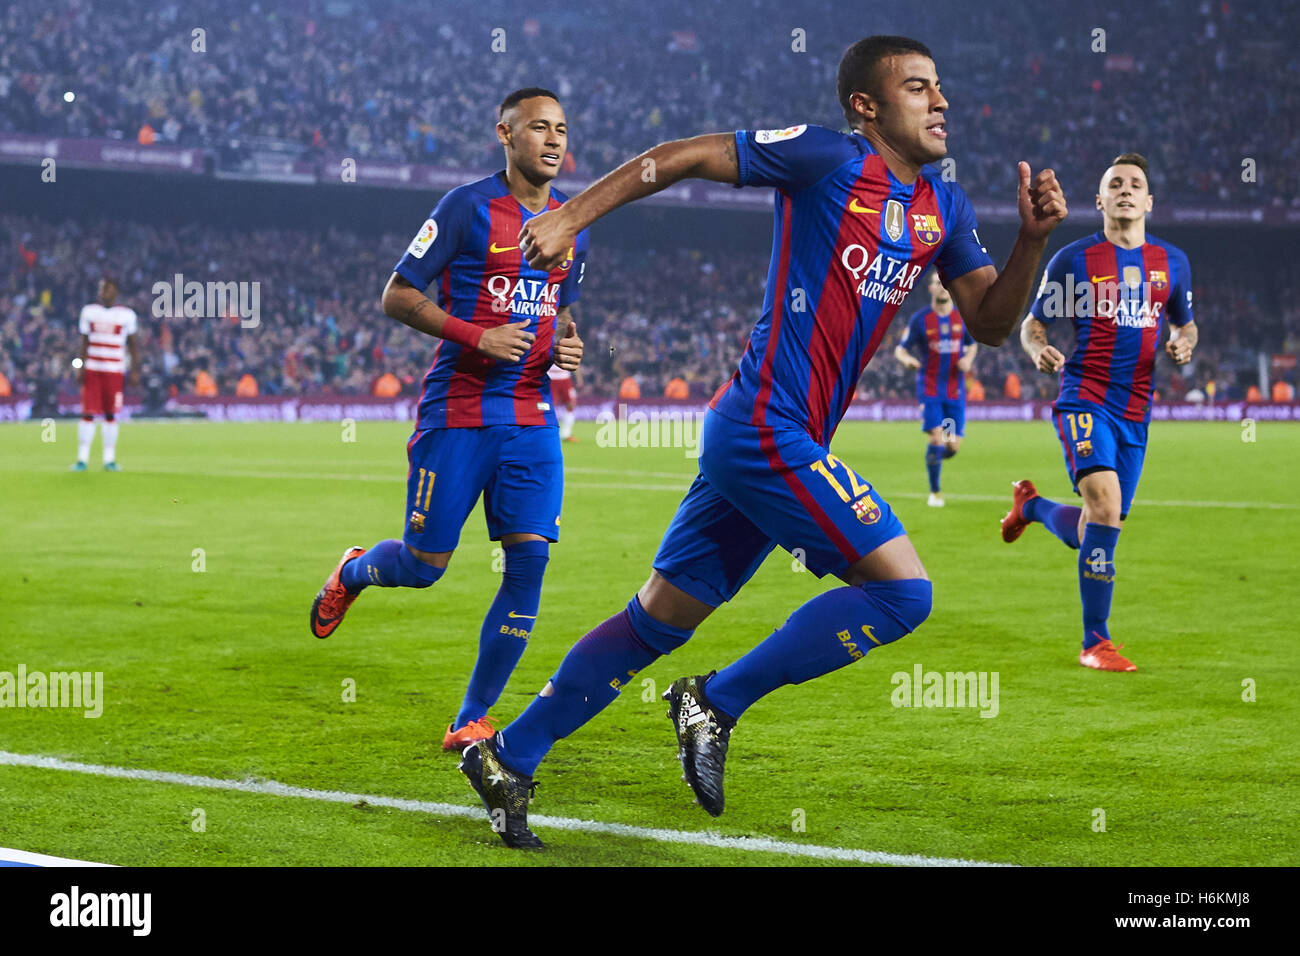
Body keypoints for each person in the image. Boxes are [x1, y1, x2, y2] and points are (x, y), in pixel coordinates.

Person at [458, 35, 1067, 848]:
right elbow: (679, 156)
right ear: (868, 106)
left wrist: (1030, 242)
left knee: (659, 619)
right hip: (762, 427)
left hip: (774, 438)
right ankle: (716, 700)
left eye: (939, 86)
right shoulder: (824, 159)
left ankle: (508, 754)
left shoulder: (944, 209)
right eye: (918, 87)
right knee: (903, 594)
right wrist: (570, 214)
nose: (940, 100)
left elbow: (991, 324)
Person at [308, 88, 589, 753]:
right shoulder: (465, 207)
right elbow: (397, 295)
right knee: (424, 564)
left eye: (562, 130)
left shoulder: (572, 225)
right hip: (459, 412)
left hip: (531, 418)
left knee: (528, 567)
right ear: (505, 134)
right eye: (538, 128)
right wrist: (476, 336)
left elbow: (563, 312)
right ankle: (351, 572)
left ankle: (473, 717)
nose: (553, 140)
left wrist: (568, 344)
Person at [1002, 152, 1197, 672]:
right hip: (1084, 399)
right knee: (1105, 508)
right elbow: (1033, 324)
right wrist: (1036, 349)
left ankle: (1032, 507)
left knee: (1097, 525)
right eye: (1116, 184)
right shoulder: (1074, 260)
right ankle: (1095, 642)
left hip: (1136, 411)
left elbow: (1185, 323)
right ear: (1101, 199)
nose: (1126, 190)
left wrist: (1184, 341)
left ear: (1149, 201)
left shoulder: (1172, 263)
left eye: (1136, 184)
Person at [893, 269, 977, 506]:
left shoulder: (961, 319)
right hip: (929, 389)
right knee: (937, 438)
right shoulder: (920, 319)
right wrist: (907, 360)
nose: (940, 287)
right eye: (935, 283)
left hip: (954, 392)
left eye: (943, 283)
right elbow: (901, 349)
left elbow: (972, 345)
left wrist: (968, 360)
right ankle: (935, 492)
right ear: (930, 288)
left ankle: (934, 458)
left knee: (952, 446)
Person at [72, 277, 139, 472]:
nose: (103, 292)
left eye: (107, 288)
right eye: (101, 289)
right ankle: (82, 459)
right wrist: (80, 367)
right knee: (87, 414)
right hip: (93, 370)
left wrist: (135, 371)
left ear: (116, 291)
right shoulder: (89, 312)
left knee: (111, 415)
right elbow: (83, 343)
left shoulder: (127, 315)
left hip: (114, 371)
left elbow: (134, 346)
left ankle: (109, 459)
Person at [547, 364, 579, 441]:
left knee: (571, 405)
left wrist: (578, 376)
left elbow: (575, 360)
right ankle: (547, 434)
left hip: (565, 378)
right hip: (550, 378)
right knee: (548, 407)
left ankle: (566, 434)